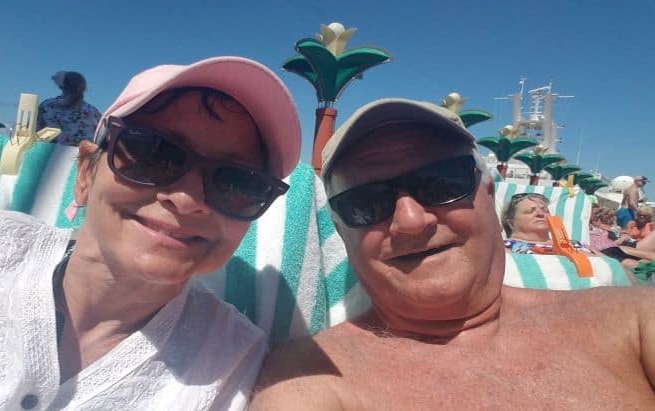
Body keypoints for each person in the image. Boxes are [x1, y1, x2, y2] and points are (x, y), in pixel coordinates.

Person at [0, 56, 301, 410]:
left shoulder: (234, 361)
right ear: (84, 173)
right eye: (154, 153)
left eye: (238, 182)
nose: (188, 199)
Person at [250, 98, 655, 409]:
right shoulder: (310, 380)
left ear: (491, 195)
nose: (409, 221)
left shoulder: (630, 320)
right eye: (365, 203)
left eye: (441, 182)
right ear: (342, 231)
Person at [37, 71, 102, 146]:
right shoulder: (93, 111)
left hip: (53, 156)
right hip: (85, 156)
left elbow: (34, 134)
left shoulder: (47, 106)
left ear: (62, 87)